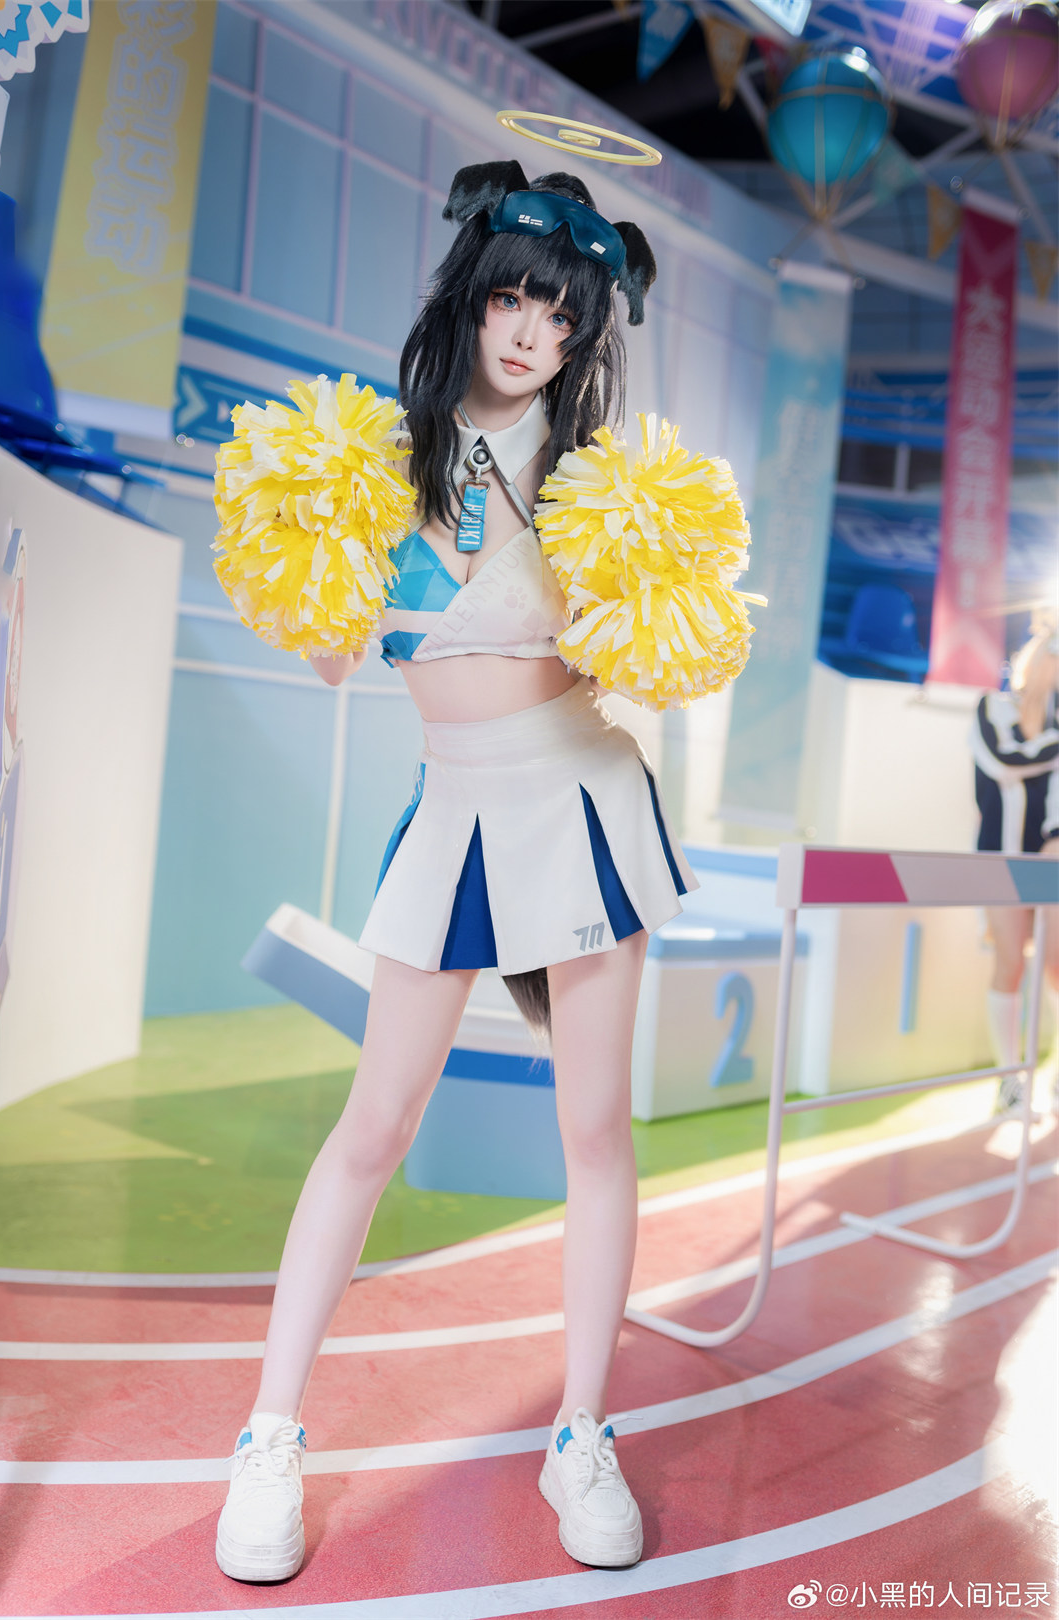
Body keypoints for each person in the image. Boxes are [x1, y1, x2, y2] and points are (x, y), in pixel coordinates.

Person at [209, 161, 753, 1582]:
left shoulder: (602, 487)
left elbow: (656, 652)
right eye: (515, 298)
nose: (532, 334)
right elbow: (331, 652)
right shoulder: (366, 459)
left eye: (563, 318)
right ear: (473, 294)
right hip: (451, 811)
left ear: (585, 339)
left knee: (594, 1130)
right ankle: (270, 1433)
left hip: (581, 803)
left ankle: (581, 1434)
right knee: (371, 1126)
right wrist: (312, 557)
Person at [971, 621, 1059, 1110]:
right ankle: (1008, 1081)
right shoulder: (992, 707)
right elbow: (1003, 759)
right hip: (999, 857)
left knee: (1057, 965)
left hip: (1050, 860)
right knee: (1010, 963)